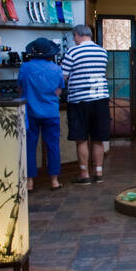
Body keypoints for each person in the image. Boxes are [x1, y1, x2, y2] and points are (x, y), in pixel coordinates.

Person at [62, 24, 110, 184]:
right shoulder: (102, 52)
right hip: (101, 99)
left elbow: (63, 76)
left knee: (81, 138)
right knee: (98, 138)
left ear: (76, 35)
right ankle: (99, 172)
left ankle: (84, 174)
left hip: (79, 100)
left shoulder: (72, 52)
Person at [18, 38, 63, 191]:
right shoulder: (56, 69)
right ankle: (54, 181)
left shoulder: (25, 67)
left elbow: (20, 88)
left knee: (30, 146)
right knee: (53, 146)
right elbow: (58, 91)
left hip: (30, 112)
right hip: (51, 112)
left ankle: (30, 182)